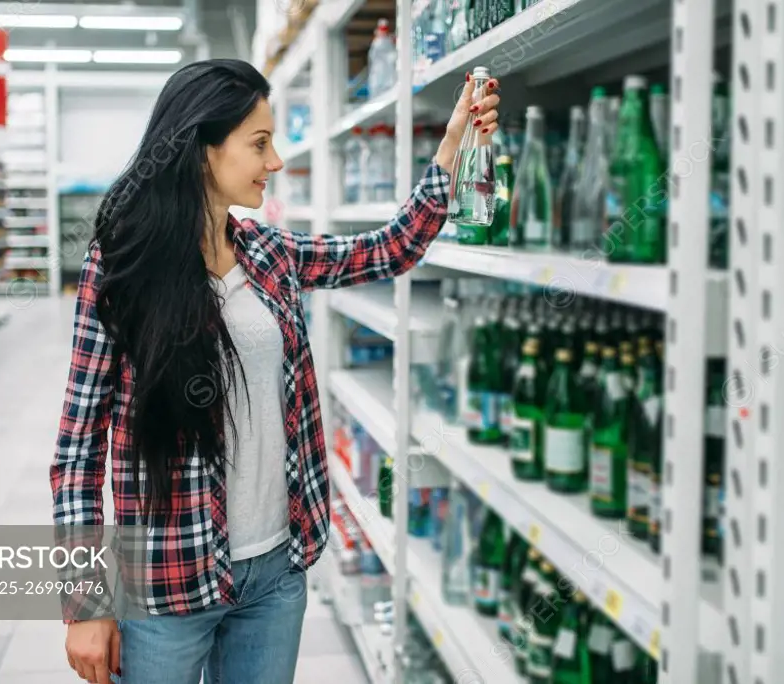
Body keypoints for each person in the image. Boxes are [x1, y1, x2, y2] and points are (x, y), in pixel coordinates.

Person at [51, 58, 500, 684]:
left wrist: (452, 145)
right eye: (258, 143)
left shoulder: (268, 253)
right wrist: (84, 601)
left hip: (274, 574)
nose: (276, 161)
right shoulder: (121, 266)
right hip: (164, 580)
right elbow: (77, 447)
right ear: (201, 148)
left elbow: (391, 248)